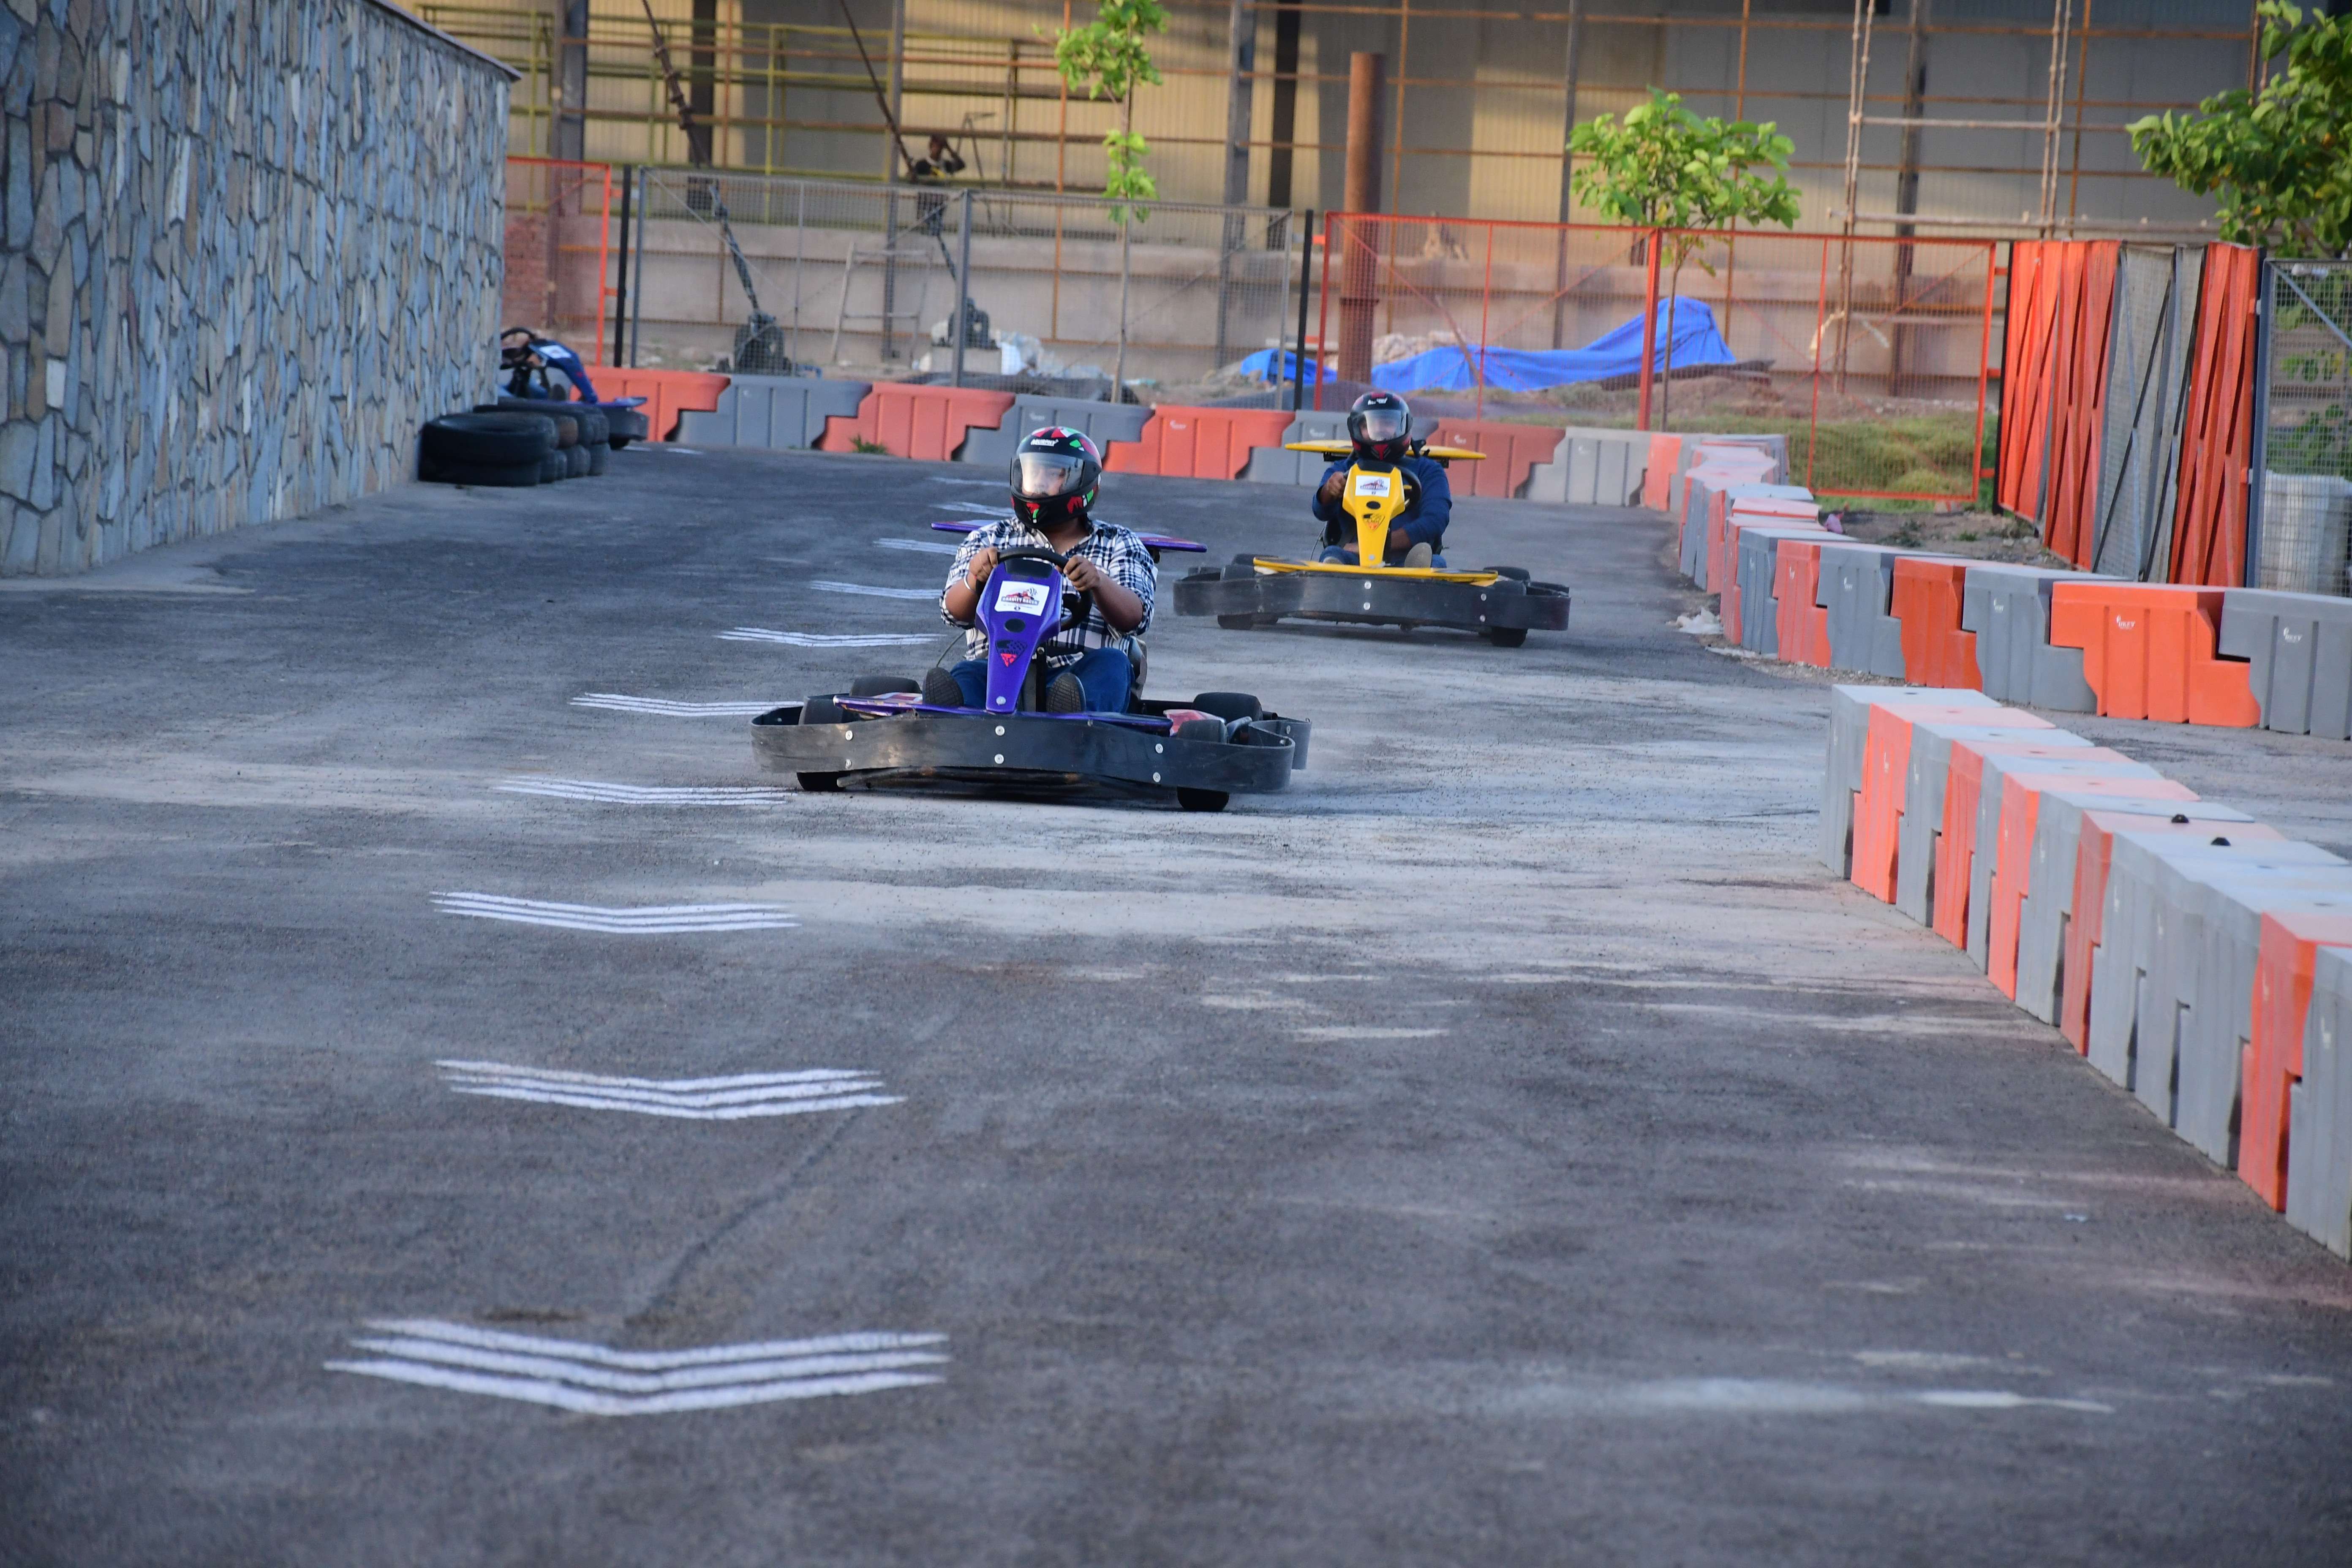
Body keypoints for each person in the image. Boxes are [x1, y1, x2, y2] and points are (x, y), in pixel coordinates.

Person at [930, 428, 1154, 714]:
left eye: (1053, 474)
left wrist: (1098, 583)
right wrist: (975, 579)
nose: (1038, 483)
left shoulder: (1118, 542)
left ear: (1083, 481)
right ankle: (954, 719)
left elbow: (1136, 619)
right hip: (998, 670)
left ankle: (1073, 718)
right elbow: (953, 613)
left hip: (1078, 671)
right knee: (967, 673)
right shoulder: (989, 539)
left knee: (1112, 665)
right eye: (1033, 473)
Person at [1312, 390, 1451, 567]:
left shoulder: (1428, 471)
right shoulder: (1343, 469)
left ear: (1404, 426)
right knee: (1332, 554)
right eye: (1369, 425)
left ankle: (1415, 576)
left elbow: (1435, 521)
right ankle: (1334, 575)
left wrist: (1381, 545)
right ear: (1356, 430)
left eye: (1387, 423)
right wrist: (1329, 491)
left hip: (1407, 558)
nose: (1379, 430)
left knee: (1435, 563)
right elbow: (1320, 512)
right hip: (1354, 559)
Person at [499, 327, 602, 404]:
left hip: (520, 383)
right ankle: (551, 406)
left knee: (536, 389)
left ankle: (554, 404)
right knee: (504, 394)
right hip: (499, 389)